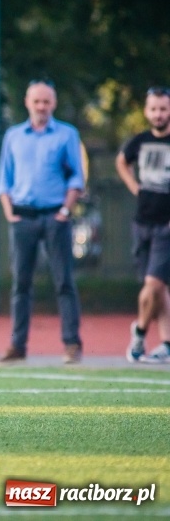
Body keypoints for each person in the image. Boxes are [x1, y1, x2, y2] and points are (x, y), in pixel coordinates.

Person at [0, 79, 85, 365]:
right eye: (37, 101)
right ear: (27, 102)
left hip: (55, 216)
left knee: (64, 282)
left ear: (53, 104)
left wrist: (66, 211)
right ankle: (17, 346)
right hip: (23, 217)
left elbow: (76, 178)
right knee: (21, 284)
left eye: (46, 101)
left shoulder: (67, 134)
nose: (41, 106)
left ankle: (72, 344)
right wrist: (10, 212)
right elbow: (3, 179)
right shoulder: (14, 136)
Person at [116, 86, 170, 363]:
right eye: (154, 109)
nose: (158, 114)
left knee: (153, 283)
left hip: (167, 224)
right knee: (159, 288)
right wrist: (135, 187)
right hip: (142, 222)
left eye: (163, 108)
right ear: (147, 111)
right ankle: (167, 343)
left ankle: (138, 331)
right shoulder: (140, 141)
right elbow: (122, 161)